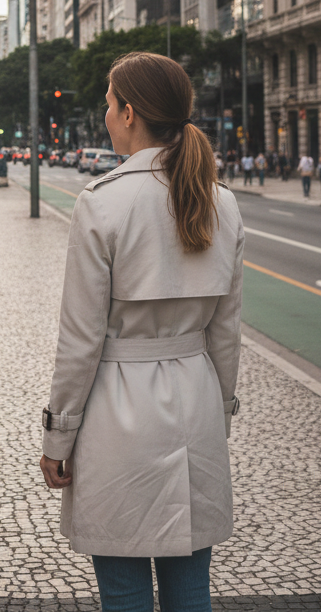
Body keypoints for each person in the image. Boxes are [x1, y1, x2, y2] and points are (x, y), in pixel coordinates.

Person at [41, 52, 243, 612]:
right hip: (195, 402)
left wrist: (58, 436)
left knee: (124, 590)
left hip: (117, 412)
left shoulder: (103, 204)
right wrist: (219, 413)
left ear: (129, 113)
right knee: (190, 587)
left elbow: (80, 341)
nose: (104, 114)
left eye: (108, 104)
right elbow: (225, 334)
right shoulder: (221, 202)